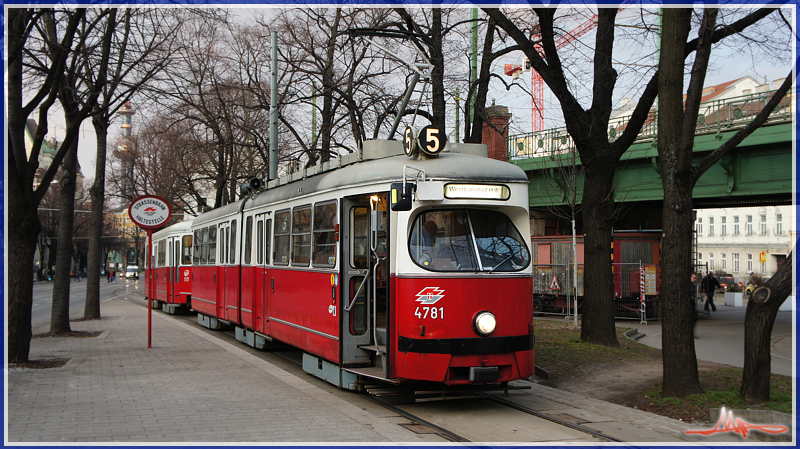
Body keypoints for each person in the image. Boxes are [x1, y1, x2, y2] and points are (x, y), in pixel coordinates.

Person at [690, 273, 699, 337]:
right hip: (690, 302)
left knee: (694, 317)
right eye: (694, 278)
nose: (694, 280)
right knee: (693, 317)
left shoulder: (693, 285)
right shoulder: (689, 285)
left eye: (695, 278)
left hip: (692, 302)